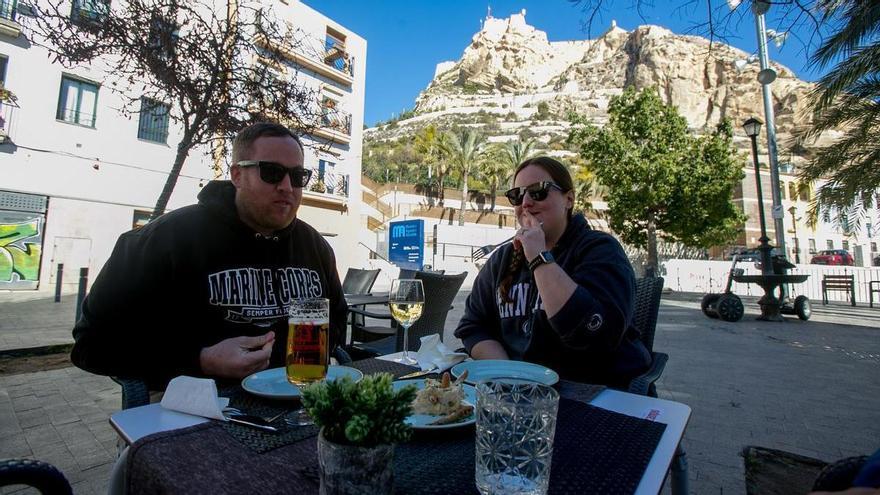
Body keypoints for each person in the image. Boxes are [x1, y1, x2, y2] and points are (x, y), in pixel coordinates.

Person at [71, 122, 347, 391]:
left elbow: (336, 320)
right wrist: (199, 359)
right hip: (195, 408)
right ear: (237, 175)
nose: (287, 186)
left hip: (300, 401)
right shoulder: (166, 239)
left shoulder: (315, 247)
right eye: (272, 172)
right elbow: (92, 344)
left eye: (298, 176)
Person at [454, 156, 651, 388]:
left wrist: (538, 257)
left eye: (538, 191)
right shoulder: (502, 260)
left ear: (568, 199)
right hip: (518, 394)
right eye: (517, 195)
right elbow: (474, 326)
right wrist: (508, 375)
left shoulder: (600, 250)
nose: (525, 202)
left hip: (595, 394)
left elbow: (592, 332)